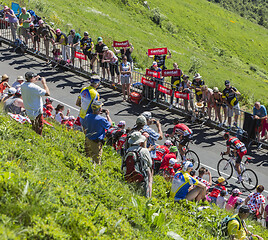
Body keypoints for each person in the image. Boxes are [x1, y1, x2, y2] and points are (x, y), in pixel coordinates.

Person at [82, 100, 112, 164]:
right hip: (96, 142)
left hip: (88, 139)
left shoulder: (87, 116)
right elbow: (110, 125)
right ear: (99, 109)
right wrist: (108, 115)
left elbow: (84, 126)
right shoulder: (101, 119)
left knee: (87, 157)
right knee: (96, 160)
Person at [124, 131, 153, 198]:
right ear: (140, 142)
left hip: (129, 173)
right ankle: (148, 196)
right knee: (149, 175)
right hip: (141, 173)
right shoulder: (143, 150)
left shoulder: (128, 150)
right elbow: (150, 163)